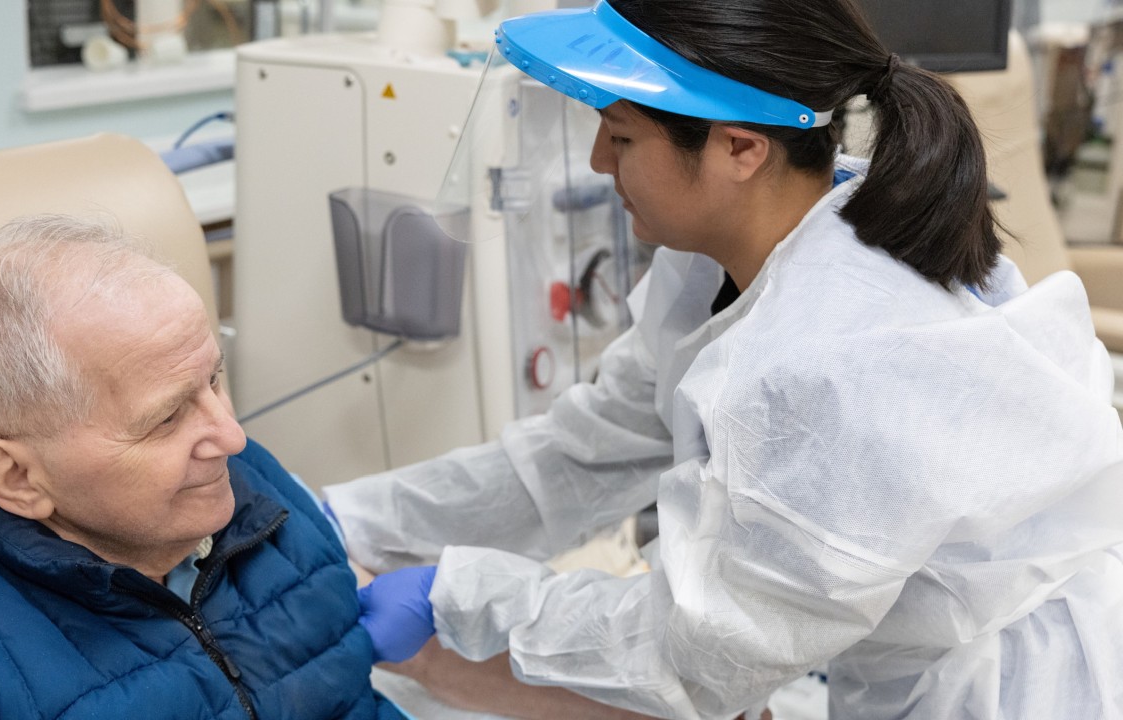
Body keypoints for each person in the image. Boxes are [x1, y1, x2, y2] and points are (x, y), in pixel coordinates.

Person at [329, 0, 1123, 718]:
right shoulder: (730, 251)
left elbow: (699, 654)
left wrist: (460, 598)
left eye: (624, 133)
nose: (601, 161)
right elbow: (582, 452)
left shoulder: (834, 360)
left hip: (1024, 692)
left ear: (739, 148)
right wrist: (347, 518)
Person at [0, 215, 410, 720]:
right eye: (166, 418)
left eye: (213, 380)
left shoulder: (258, 490)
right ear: (19, 478)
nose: (231, 438)